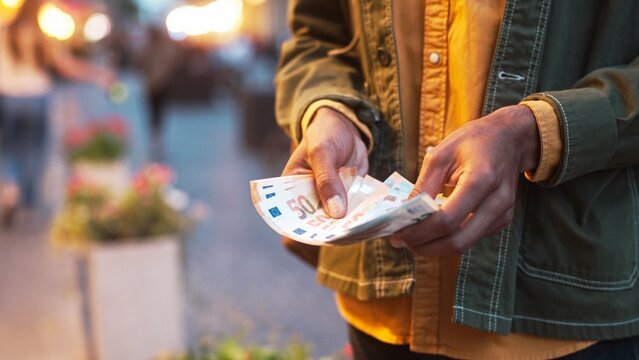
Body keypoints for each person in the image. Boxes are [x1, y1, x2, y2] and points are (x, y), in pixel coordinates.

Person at [275, 1, 639, 358]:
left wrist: (537, 132)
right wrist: (327, 108)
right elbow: (315, 37)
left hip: (556, 309)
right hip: (381, 314)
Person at [0, 0, 114, 226]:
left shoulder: (5, 32)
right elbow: (64, 65)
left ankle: (10, 185)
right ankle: (28, 204)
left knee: (8, 148)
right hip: (37, 96)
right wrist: (97, 74)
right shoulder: (41, 34)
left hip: (10, 97)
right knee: (34, 151)